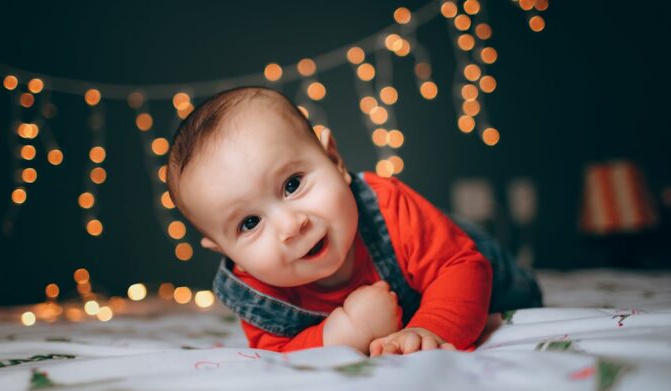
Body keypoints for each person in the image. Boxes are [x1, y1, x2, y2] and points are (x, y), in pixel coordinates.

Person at [166, 86, 542, 356]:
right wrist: (346, 333)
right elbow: (280, 352)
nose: (290, 225)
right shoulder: (257, 293)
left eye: (292, 185)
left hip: (480, 272)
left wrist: (430, 329)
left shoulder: (389, 207)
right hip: (386, 316)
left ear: (334, 160)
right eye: (249, 223)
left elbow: (460, 266)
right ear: (225, 251)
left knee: (510, 292)